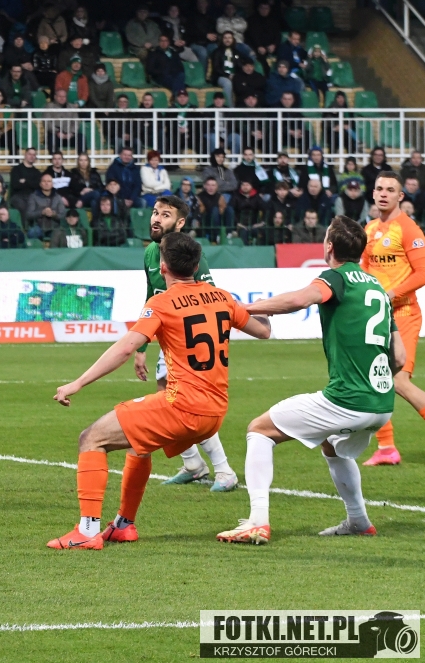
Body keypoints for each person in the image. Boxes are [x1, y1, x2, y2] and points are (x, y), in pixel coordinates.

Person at [48, 231, 270, 550]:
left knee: (91, 438)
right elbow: (263, 330)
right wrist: (262, 306)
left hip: (182, 407)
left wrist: (77, 382)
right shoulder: (221, 297)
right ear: (197, 265)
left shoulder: (162, 303)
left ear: (163, 266)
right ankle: (123, 525)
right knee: (139, 445)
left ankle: (86, 531)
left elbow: (127, 347)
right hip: (215, 413)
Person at [218, 216, 400, 543]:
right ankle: (359, 521)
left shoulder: (335, 277)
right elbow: (398, 356)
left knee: (259, 430)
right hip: (383, 403)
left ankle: (256, 521)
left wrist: (245, 308)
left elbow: (300, 300)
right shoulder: (378, 288)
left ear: (329, 246)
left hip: (348, 399)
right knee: (331, 444)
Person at [359, 171, 425, 466]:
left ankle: (387, 448)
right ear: (373, 193)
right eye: (379, 189)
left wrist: (392, 293)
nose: (383, 193)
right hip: (377, 317)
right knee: (375, 380)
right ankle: (386, 448)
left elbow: (423, 272)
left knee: (398, 381)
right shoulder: (370, 229)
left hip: (404, 314)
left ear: (400, 196)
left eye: (390, 189)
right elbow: (363, 271)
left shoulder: (408, 229)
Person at [26, 174, 66, 241]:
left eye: (49, 181)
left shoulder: (58, 197)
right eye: (44, 181)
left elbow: (63, 214)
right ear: (40, 184)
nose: (46, 183)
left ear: (52, 184)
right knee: (32, 233)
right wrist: (42, 212)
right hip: (39, 226)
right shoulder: (33, 197)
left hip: (54, 227)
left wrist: (54, 214)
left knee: (62, 234)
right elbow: (29, 215)